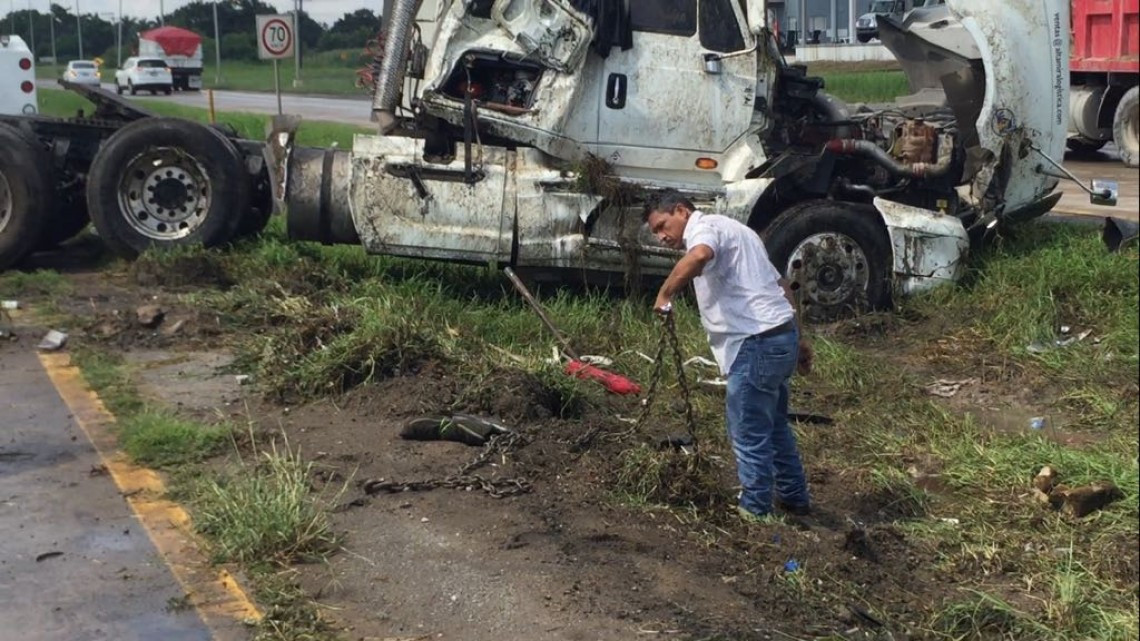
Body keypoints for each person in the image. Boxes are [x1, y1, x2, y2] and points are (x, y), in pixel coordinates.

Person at [644, 190, 814, 519]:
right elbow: (779, 284)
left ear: (681, 211)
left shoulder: (702, 229)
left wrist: (665, 294)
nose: (662, 237)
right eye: (655, 232)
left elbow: (700, 255)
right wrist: (799, 340)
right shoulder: (739, 231)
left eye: (662, 226)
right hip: (780, 335)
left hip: (755, 343)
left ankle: (755, 509)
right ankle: (794, 497)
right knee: (774, 424)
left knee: (748, 429)